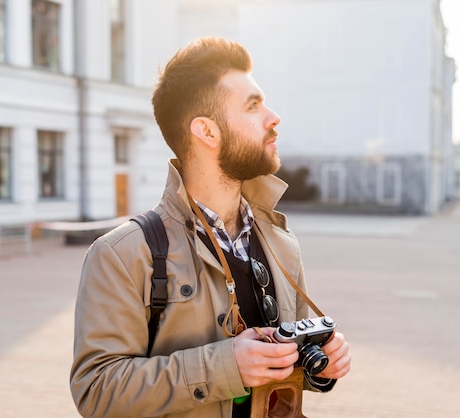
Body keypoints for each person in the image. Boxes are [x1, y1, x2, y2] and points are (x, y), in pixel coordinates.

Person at [70, 36, 351, 418]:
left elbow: (282, 369)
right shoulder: (122, 255)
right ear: (207, 132)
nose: (273, 117)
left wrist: (319, 366)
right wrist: (225, 367)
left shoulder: (281, 242)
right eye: (253, 106)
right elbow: (96, 390)